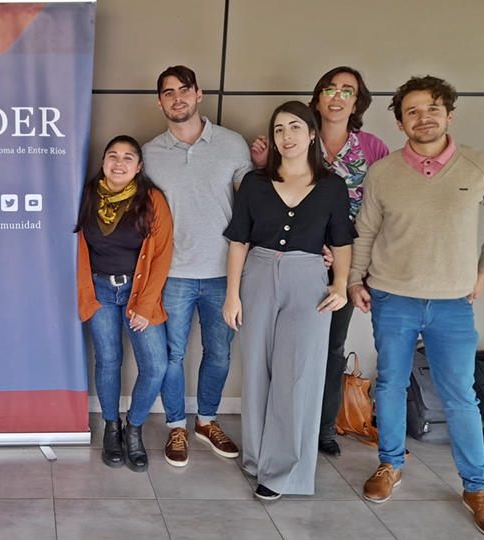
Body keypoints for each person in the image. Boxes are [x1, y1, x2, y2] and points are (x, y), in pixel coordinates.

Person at [350, 76, 484, 540]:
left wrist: (483, 272)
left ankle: (477, 489)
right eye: (413, 112)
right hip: (392, 296)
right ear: (401, 123)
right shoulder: (383, 172)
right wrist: (354, 279)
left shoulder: (481, 166)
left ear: (449, 115)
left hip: (452, 303)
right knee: (390, 385)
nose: (424, 118)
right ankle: (390, 465)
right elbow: (365, 231)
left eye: (432, 109)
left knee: (461, 396)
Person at [249, 67, 389, 457]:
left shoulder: (373, 149)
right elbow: (272, 201)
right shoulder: (293, 141)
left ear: (357, 102)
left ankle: (322, 427)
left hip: (346, 262)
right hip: (293, 259)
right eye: (330, 89)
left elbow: (381, 210)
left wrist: (351, 268)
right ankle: (276, 430)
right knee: (281, 350)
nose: (337, 96)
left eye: (347, 91)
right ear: (317, 98)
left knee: (330, 347)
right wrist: (260, 163)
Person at [223, 101, 355, 499]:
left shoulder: (332, 186)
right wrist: (232, 295)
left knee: (297, 377)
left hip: (308, 280)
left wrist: (340, 284)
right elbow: (239, 241)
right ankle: (257, 459)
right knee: (257, 372)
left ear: (312, 133)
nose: (287, 136)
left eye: (295, 127)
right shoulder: (255, 183)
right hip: (258, 276)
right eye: (279, 129)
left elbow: (342, 241)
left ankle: (283, 473)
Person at [142, 65, 252, 467]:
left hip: (224, 273)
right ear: (160, 102)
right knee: (172, 356)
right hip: (172, 275)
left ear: (199, 94)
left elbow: (249, 210)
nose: (178, 98)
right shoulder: (149, 154)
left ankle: (206, 421)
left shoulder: (232, 144)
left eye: (184, 90)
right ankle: (176, 425)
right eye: (168, 92)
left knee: (219, 354)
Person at [76, 135, 173, 472]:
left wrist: (145, 306)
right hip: (100, 291)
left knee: (156, 366)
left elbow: (161, 256)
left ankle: (133, 429)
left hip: (138, 292)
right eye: (112, 156)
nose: (119, 163)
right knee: (108, 361)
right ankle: (111, 428)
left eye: (128, 157)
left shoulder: (152, 199)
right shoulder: (87, 195)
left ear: (139, 166)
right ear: (103, 162)